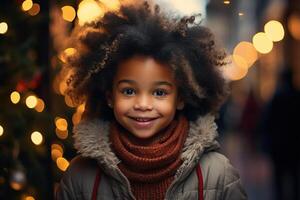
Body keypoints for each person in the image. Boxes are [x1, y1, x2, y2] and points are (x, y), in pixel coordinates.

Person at [55, 1, 247, 199]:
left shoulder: (217, 175)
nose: (143, 105)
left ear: (180, 98)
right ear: (109, 96)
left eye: (159, 93)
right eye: (129, 91)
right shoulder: (80, 177)